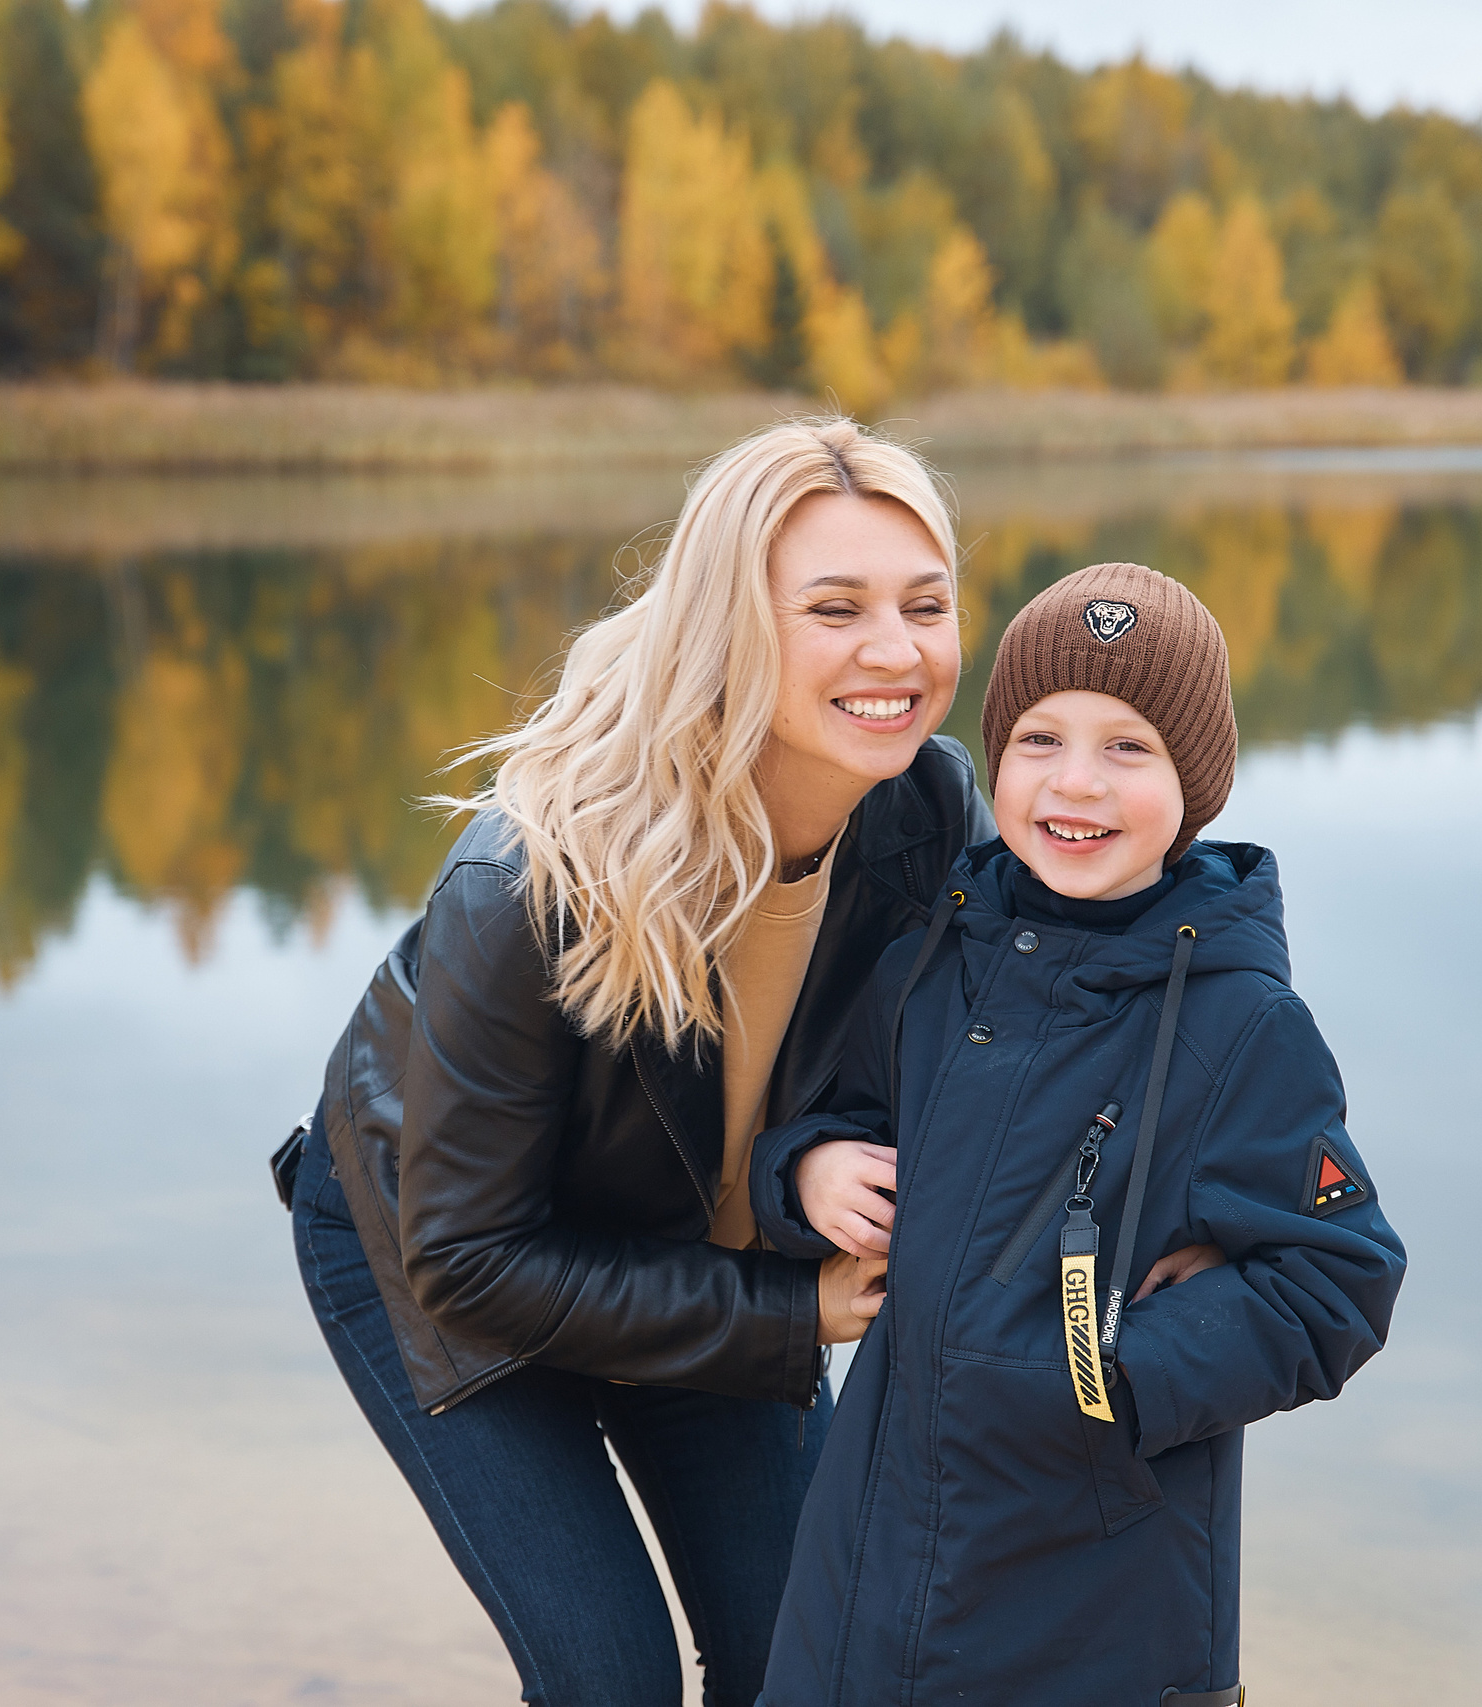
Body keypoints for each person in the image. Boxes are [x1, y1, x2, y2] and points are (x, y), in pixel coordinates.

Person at [281, 418, 994, 1707]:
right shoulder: (529, 883)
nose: (896, 652)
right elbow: (471, 1260)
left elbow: (1003, 1050)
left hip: (697, 1245)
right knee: (609, 1677)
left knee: (811, 1661)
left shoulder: (929, 812)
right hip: (447, 1259)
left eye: (924, 605)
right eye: (835, 609)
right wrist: (795, 1314)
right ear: (730, 625)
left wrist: (1196, 1207)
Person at [747, 561, 1407, 1706]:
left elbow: (1337, 1277)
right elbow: (825, 1111)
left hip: (1098, 1603)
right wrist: (802, 1169)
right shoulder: (930, 962)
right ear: (993, 758)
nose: (1076, 784)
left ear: (1194, 785)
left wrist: (1116, 1377)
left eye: (1128, 749)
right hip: (870, 1557)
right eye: (1040, 739)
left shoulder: (1242, 1023)